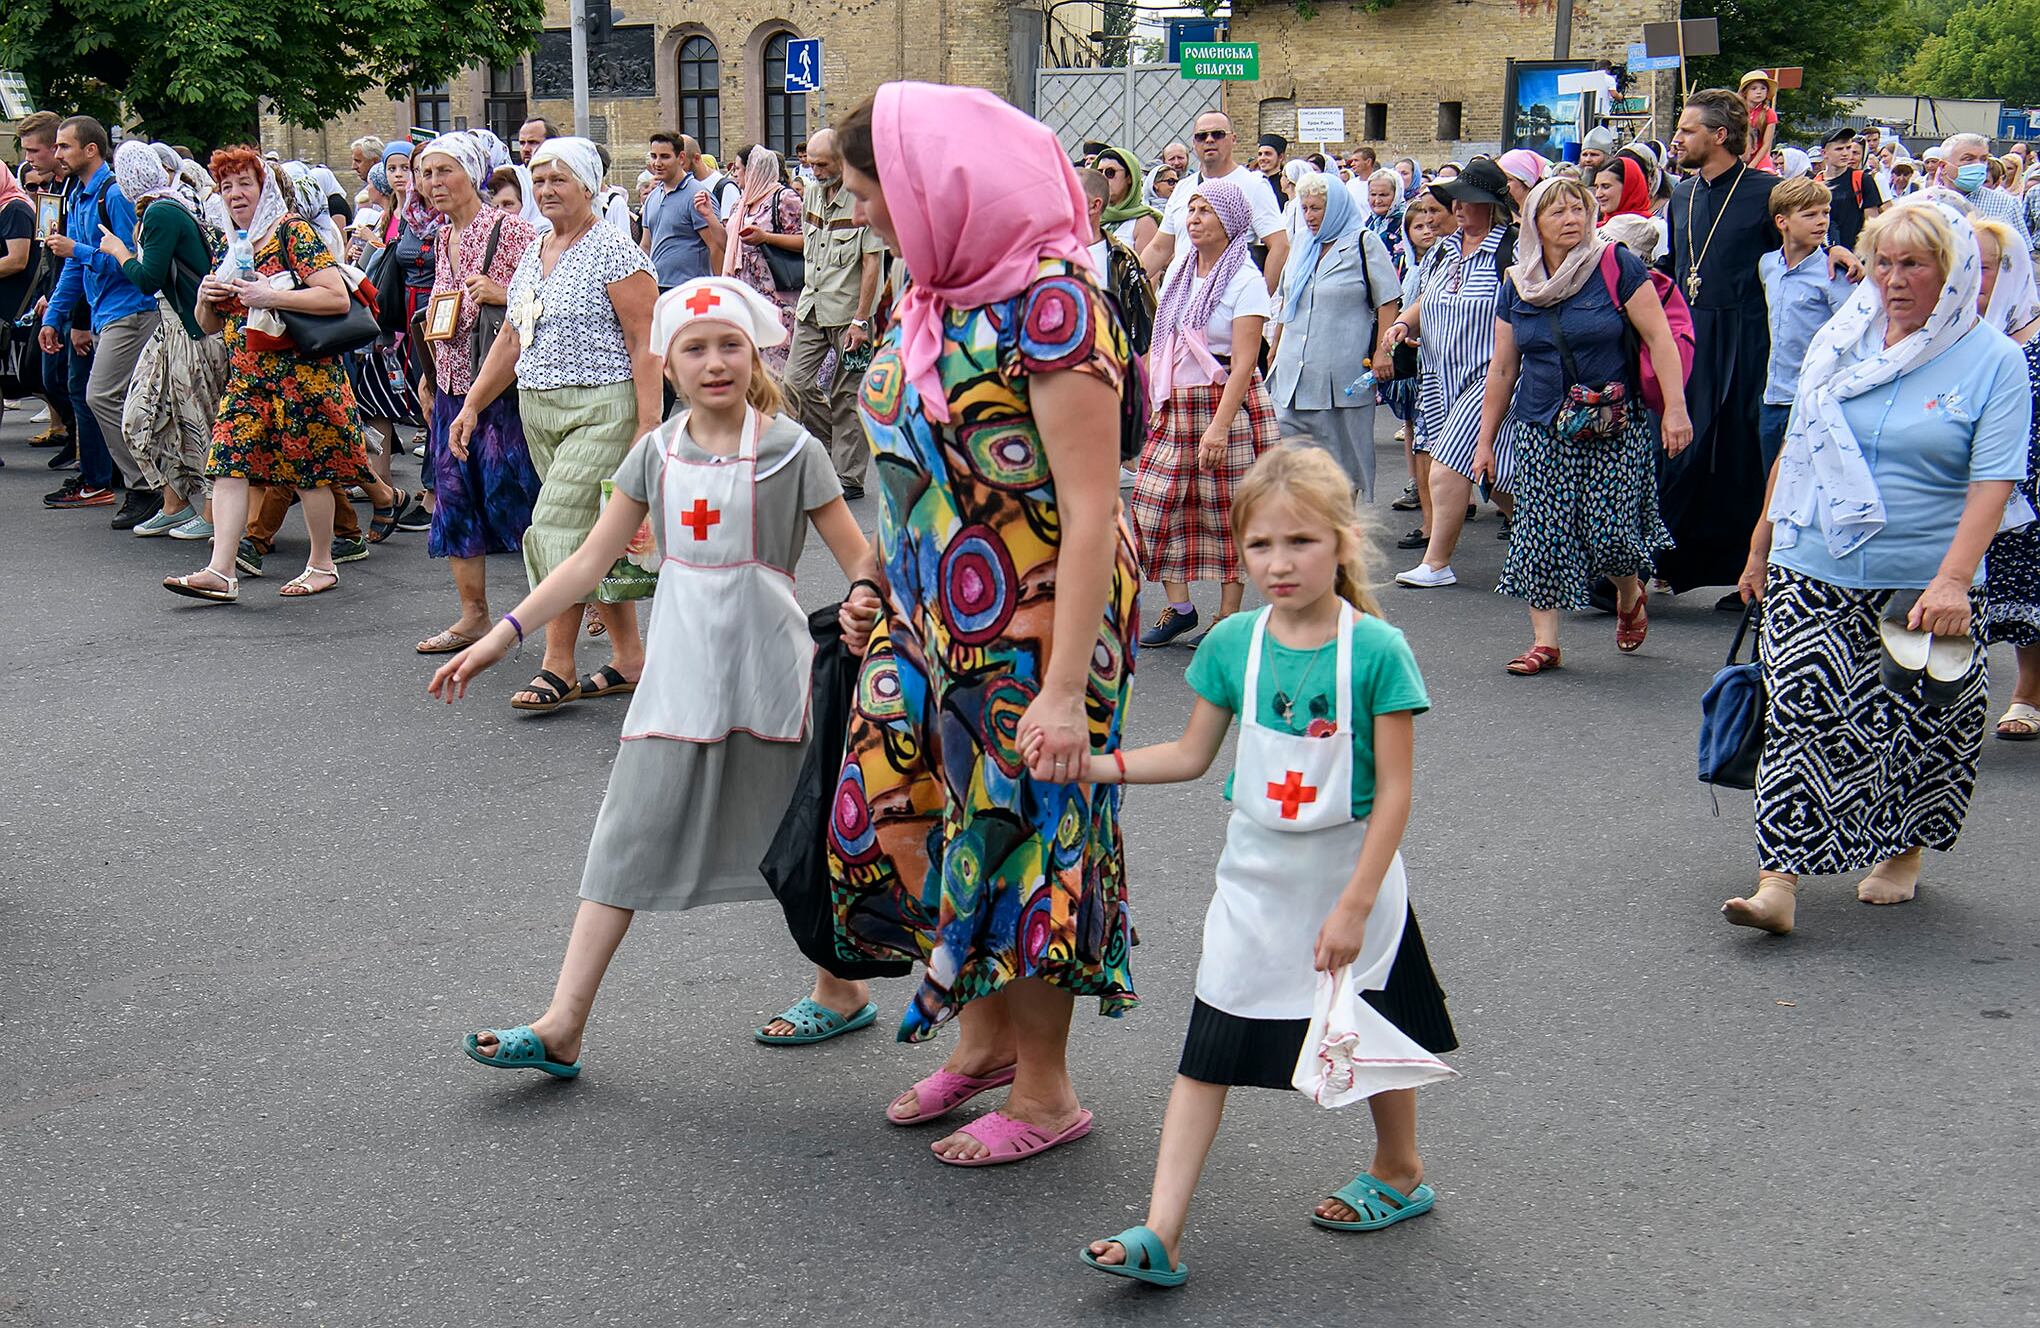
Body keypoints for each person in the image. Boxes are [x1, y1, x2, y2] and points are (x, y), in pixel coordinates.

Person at [434, 275, 884, 1075]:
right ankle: (563, 1025)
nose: (715, 362)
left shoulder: (794, 450)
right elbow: (588, 561)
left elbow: (860, 562)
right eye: (695, 349)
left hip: (773, 681)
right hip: (678, 682)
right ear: (667, 367)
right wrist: (505, 633)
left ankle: (840, 989)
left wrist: (862, 601)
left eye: (730, 345)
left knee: (810, 839)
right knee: (624, 836)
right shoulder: (656, 453)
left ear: (754, 355)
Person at [826, 83, 1139, 1165]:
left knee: (1022, 840)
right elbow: (909, 464)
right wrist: (873, 576)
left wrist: (1064, 688)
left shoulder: (1054, 304)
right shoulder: (930, 291)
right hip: (923, 614)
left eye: (864, 190)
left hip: (1035, 626)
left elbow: (1092, 507)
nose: (856, 211)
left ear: (932, 186)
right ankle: (984, 1041)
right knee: (902, 815)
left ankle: (1046, 1091)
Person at [1066, 445, 1456, 1288]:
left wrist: (1355, 906)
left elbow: (1394, 793)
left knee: (1370, 1026)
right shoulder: (1234, 642)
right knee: (1208, 1047)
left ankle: (1399, 1167)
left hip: (1350, 878)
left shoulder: (1377, 651)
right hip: (1254, 883)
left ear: (1342, 543)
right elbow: (1190, 754)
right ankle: (1162, 1232)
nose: (1279, 563)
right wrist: (1093, 766)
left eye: (1301, 542)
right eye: (1260, 546)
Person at [1726, 201, 2029, 935]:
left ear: (1951, 273)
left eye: (1914, 265)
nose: (1893, 280)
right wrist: (1761, 542)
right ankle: (1778, 880)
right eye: (1883, 263)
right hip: (1812, 557)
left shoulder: (1993, 360)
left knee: (1919, 724)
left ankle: (1902, 851)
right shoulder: (1841, 338)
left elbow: (1993, 482)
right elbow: (1800, 445)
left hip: (1925, 577)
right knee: (1800, 714)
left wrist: (1954, 580)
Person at [449, 136, 660, 711]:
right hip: (540, 410)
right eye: (538, 180)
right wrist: (472, 404)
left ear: (588, 186)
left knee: (555, 530)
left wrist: (648, 423)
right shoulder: (535, 250)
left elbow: (646, 339)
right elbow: (512, 337)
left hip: (603, 408)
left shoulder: (615, 251)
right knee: (593, 535)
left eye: (558, 179)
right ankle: (629, 658)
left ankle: (557, 665)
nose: (545, 190)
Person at [1477, 177, 1692, 674]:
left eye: (1579, 208)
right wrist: (1485, 442)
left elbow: (1660, 339)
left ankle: (1628, 593)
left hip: (1613, 422)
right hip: (1542, 424)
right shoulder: (1518, 283)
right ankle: (1545, 642)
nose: (1571, 219)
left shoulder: (1615, 264)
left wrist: (1675, 409)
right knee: (1541, 532)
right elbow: (1503, 368)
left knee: (1611, 534)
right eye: (1557, 212)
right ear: (1534, 223)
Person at [1659, 90, 1855, 600]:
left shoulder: (1765, 191)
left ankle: (1750, 575)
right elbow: (1677, 264)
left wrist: (1835, 250)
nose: (1677, 139)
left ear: (1720, 136)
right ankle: (1652, 563)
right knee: (1680, 451)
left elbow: (1806, 236)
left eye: (1687, 130)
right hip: (1694, 336)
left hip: (1751, 340)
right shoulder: (1682, 194)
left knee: (1744, 459)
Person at [161, 148, 379, 603]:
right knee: (227, 466)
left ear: (265, 189)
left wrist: (271, 296)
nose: (235, 194)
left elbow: (335, 298)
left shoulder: (291, 232)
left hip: (302, 378)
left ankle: (322, 564)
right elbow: (208, 325)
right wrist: (204, 297)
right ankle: (221, 571)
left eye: (245, 183)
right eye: (227, 186)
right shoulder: (230, 243)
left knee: (311, 473)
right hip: (248, 381)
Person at [408, 131, 544, 656]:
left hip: (502, 390)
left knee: (526, 499)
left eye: (445, 171)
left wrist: (504, 292)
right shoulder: (442, 236)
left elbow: (549, 299)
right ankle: (473, 616)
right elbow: (445, 312)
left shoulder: (512, 231)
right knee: (454, 497)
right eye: (427, 173)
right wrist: (429, 372)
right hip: (450, 385)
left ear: (472, 174)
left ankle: (588, 594)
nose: (434, 183)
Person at [1131, 179, 1278, 647]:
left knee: (1226, 512)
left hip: (1224, 404)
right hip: (1177, 403)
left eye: (1204, 211)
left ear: (1228, 221)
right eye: (1191, 210)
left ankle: (1228, 617)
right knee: (1155, 506)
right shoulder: (1181, 269)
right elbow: (1165, 339)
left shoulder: (1245, 279)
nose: (1193, 219)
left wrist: (1219, 428)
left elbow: (1245, 363)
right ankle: (1180, 608)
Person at [1386, 156, 1517, 589]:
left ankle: (1436, 562)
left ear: (1492, 205)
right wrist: (1404, 323)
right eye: (1455, 199)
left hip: (1487, 376)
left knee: (1446, 465)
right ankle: (1548, 537)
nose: (1457, 207)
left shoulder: (1510, 250)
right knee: (1494, 476)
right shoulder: (1444, 250)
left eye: (1468, 199)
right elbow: (1426, 299)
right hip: (1439, 376)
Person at [99, 141, 229, 541]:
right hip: (170, 326)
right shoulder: (162, 208)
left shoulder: (161, 211)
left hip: (192, 330)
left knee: (198, 420)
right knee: (147, 415)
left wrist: (119, 251)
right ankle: (174, 504)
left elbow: (147, 278)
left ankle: (212, 512)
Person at [41, 114, 162, 528]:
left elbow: (133, 262)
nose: (57, 153)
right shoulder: (79, 194)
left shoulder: (114, 194)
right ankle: (153, 484)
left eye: (64, 146)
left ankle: (145, 485)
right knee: (119, 399)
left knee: (101, 395)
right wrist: (54, 318)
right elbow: (74, 268)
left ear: (91, 149)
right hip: (106, 312)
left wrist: (78, 250)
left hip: (131, 309)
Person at [1269, 173, 1400, 498]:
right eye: (1305, 208)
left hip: (1340, 373)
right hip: (1293, 372)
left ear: (1336, 208)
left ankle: (1340, 523)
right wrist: (1276, 343)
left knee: (1342, 465)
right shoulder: (1302, 242)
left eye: (1317, 209)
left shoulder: (1363, 242)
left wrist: (1383, 351)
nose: (1310, 216)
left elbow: (1388, 300)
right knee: (1290, 463)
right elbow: (1288, 298)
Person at [781, 128, 884, 499]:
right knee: (794, 384)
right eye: (811, 164)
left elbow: (872, 264)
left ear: (842, 161)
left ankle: (849, 476)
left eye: (822, 164)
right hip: (812, 306)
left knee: (846, 395)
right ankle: (835, 443)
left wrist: (861, 319)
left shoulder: (863, 197)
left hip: (850, 316)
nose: (816, 171)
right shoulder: (811, 192)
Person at [1974, 217, 2040, 741]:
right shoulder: (1951, 332)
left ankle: (2027, 693)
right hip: (1972, 486)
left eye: (1988, 268)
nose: (1977, 280)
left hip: (2030, 485)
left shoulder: (2031, 336)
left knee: (2030, 594)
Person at [1759, 177, 1859, 470]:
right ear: (1782, 221)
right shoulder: (1768, 265)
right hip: (1774, 396)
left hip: (1813, 398)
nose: (1821, 221)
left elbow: (1852, 334)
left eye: (1825, 213)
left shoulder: (1834, 274)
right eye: (1810, 214)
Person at [1140, 111, 1287, 290]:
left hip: (1227, 296)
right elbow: (1160, 248)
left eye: (1217, 134)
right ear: (1194, 143)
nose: (1209, 140)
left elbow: (1279, 245)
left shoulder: (1253, 184)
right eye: (1201, 136)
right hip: (1180, 296)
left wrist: (1260, 297)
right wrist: (1125, 288)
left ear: (1233, 139)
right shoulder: (1183, 187)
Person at [1388, 191, 1453, 551]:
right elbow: (1422, 300)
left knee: (1477, 457)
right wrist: (1405, 324)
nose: (1428, 221)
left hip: (1469, 368)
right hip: (1428, 365)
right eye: (1422, 215)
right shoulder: (1435, 257)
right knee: (1425, 444)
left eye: (1435, 212)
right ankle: (1431, 530)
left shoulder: (1485, 253)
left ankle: (1518, 519)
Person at [718, 146, 803, 373]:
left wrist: (766, 238)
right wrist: (708, 216)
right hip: (746, 296)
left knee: (775, 366)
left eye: (738, 168)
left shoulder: (784, 198)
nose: (734, 174)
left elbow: (806, 241)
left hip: (776, 296)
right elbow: (728, 243)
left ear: (753, 169)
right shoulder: (741, 203)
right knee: (749, 364)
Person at [640, 131, 718, 288]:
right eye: (654, 156)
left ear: (681, 158)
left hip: (690, 289)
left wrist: (719, 287)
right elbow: (646, 246)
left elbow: (715, 246)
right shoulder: (653, 196)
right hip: (657, 286)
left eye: (665, 156)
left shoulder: (697, 194)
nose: (657, 163)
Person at [1944, 133, 2032, 251]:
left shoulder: (2006, 204)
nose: (1978, 165)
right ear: (1943, 165)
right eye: (1968, 159)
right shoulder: (1927, 200)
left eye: (1983, 159)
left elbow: (2022, 253)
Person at [1822, 127, 1885, 251]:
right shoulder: (1816, 182)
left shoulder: (1862, 179)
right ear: (1824, 153)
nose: (1846, 153)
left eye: (1848, 148)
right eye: (1839, 149)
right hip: (1824, 252)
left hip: (1855, 252)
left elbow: (1872, 224)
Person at [1095, 146, 1160, 254]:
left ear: (1129, 177)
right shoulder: (1093, 216)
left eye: (1110, 172)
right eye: (1099, 173)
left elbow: (1147, 264)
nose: (1103, 178)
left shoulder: (1143, 222)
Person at [1361, 167, 1407, 272]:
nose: (1377, 200)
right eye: (1373, 194)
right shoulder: (1369, 222)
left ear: (1396, 194)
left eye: (1383, 195)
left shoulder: (1405, 224)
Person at [1739, 71, 1779, 173]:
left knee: (1766, 173)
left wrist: (1752, 165)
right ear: (1745, 92)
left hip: (1760, 156)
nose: (1759, 92)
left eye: (1763, 88)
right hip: (1739, 153)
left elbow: (1766, 144)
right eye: (1754, 88)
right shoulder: (1736, 111)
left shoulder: (1769, 113)